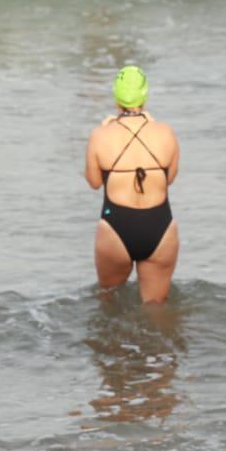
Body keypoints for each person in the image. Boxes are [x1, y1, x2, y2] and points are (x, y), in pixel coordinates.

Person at [84, 66, 181, 304]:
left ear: (116, 97)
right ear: (145, 95)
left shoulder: (100, 135)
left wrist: (108, 129)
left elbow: (94, 182)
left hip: (115, 227)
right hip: (160, 226)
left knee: (108, 304)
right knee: (157, 311)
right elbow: (169, 180)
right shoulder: (166, 133)